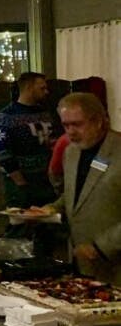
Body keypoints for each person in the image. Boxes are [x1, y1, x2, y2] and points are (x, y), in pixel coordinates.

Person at [51, 93, 121, 283]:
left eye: (77, 124)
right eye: (66, 125)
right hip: (82, 263)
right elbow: (77, 195)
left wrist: (100, 247)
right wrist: (51, 209)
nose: (71, 132)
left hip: (115, 261)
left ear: (98, 121)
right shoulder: (71, 152)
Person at [0, 72, 59, 208]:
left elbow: (51, 141)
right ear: (29, 87)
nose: (46, 92)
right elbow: (2, 151)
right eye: (42, 88)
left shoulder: (44, 113)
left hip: (45, 181)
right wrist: (20, 182)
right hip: (20, 182)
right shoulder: (6, 117)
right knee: (20, 225)